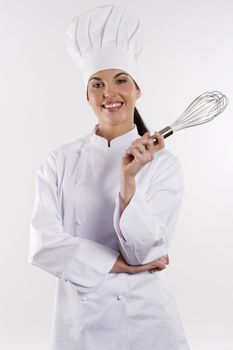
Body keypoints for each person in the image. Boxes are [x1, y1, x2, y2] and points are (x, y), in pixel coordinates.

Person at [28, 4, 191, 350]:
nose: (108, 93)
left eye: (120, 81)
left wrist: (128, 181)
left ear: (137, 90)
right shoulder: (58, 161)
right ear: (87, 96)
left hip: (147, 320)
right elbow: (43, 245)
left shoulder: (164, 165)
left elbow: (145, 252)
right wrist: (117, 265)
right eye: (97, 84)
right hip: (81, 324)